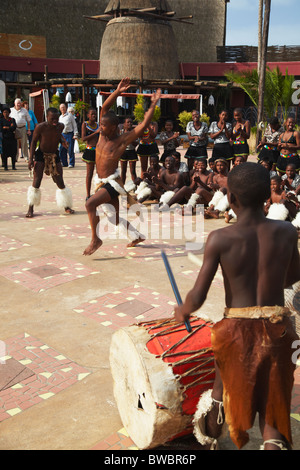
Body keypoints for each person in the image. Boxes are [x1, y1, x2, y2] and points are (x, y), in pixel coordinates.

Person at [175, 162, 300, 451]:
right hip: (278, 329)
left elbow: (198, 295)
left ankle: (209, 442)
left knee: (220, 394)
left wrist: (183, 309)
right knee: (272, 410)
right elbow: (293, 277)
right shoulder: (286, 232)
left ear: (230, 199)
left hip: (236, 332)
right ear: (267, 198)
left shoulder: (220, 238)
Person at [83, 78, 162, 256]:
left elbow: (141, 127)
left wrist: (153, 106)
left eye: (104, 126)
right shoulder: (103, 136)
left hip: (112, 183)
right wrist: (117, 91)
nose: (100, 128)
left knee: (90, 204)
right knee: (113, 217)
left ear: (114, 127)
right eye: (101, 125)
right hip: (101, 182)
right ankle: (136, 236)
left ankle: (95, 239)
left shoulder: (121, 141)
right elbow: (104, 108)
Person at [26, 107, 74, 218]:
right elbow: (33, 142)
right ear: (47, 117)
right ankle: (30, 208)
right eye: (52, 119)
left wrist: (63, 141)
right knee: (37, 181)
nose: (55, 121)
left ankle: (66, 206)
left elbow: (58, 136)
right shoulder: (40, 127)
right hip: (41, 155)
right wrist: (30, 159)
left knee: (59, 180)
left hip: (54, 155)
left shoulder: (60, 126)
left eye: (57, 119)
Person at [81, 107, 100, 200]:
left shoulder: (98, 125)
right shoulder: (85, 124)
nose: (93, 116)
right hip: (89, 150)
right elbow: (83, 138)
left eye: (95, 114)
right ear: (88, 115)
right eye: (92, 114)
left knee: (99, 173)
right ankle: (88, 194)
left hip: (98, 151)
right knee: (89, 173)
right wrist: (95, 132)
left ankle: (98, 192)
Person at [58, 103, 79, 168]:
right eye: (61, 108)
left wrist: (75, 134)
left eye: (64, 107)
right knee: (62, 149)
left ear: (66, 108)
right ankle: (64, 163)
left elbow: (74, 125)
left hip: (70, 134)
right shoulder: (60, 117)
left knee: (70, 149)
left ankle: (71, 163)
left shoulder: (70, 116)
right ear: (60, 109)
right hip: (63, 134)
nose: (63, 109)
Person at [119, 117, 139, 184]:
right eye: (128, 122)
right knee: (123, 171)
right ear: (124, 124)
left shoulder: (134, 132)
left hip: (131, 151)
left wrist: (130, 138)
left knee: (133, 171)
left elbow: (136, 143)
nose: (129, 123)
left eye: (131, 122)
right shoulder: (121, 132)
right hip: (123, 152)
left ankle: (135, 187)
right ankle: (122, 186)